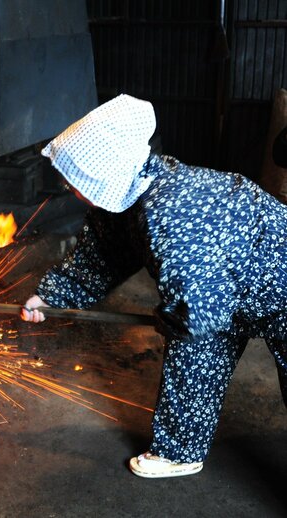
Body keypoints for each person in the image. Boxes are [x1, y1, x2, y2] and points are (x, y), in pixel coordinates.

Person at [21, 94, 287, 478]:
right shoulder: (132, 190)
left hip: (277, 279)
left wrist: (176, 319)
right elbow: (102, 256)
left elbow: (202, 309)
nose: (68, 185)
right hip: (233, 285)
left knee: (193, 334)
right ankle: (181, 451)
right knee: (198, 355)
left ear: (105, 174)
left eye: (76, 178)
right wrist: (49, 297)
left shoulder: (170, 214)